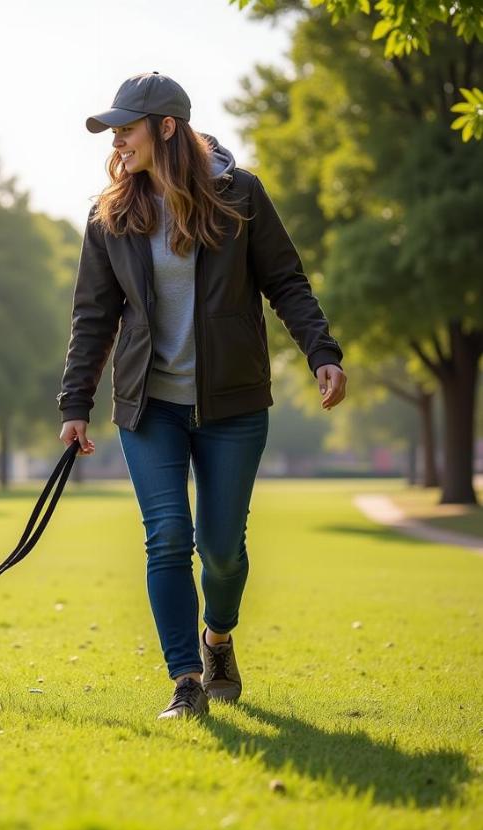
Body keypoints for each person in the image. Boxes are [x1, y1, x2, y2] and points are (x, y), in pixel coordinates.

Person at [57, 72, 347, 720]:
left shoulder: (239, 195)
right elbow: (93, 316)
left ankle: (218, 638)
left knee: (221, 549)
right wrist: (75, 404)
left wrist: (321, 351)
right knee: (167, 537)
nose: (116, 141)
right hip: (148, 405)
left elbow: (286, 280)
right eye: (112, 132)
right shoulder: (110, 215)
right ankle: (186, 682)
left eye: (125, 128)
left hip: (233, 405)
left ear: (166, 127)